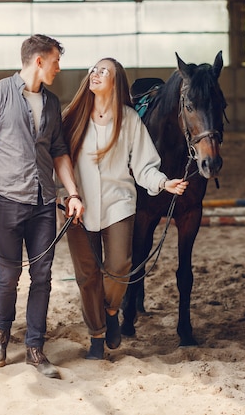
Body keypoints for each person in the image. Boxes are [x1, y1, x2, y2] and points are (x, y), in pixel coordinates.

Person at [0, 34, 84, 379]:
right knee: (8, 275)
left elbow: (59, 151)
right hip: (8, 198)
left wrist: (72, 193)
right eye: (55, 61)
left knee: (43, 276)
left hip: (42, 202)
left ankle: (36, 348)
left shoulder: (52, 103)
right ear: (38, 60)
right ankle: (1, 337)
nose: (58, 68)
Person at [60, 58, 188, 360]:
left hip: (119, 203)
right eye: (94, 69)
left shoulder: (129, 119)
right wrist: (65, 195)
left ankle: (112, 310)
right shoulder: (72, 116)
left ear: (116, 82)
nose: (96, 73)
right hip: (78, 206)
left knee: (119, 266)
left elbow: (144, 165)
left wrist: (162, 183)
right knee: (87, 276)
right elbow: (58, 159)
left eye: (104, 71)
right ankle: (96, 336)